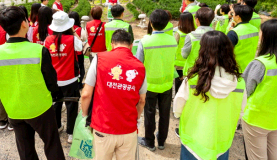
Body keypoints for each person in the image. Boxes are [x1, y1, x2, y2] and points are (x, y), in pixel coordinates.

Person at [0, 6, 65, 160]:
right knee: (51, 144)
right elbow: (51, 82)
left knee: (25, 149)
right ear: (24, 23)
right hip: (40, 108)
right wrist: (56, 94)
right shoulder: (38, 50)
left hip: (14, 109)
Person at [174, 31, 245, 160]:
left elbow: (178, 108)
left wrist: (178, 115)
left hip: (193, 140)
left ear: (203, 51)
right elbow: (241, 110)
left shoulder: (193, 80)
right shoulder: (239, 83)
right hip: (221, 141)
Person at [81, 29, 147, 160]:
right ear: (131, 45)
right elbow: (142, 101)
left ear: (112, 44)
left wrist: (84, 116)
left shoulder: (99, 59)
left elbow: (86, 94)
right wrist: (137, 118)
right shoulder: (140, 67)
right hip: (128, 129)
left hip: (103, 127)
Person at [242, 19, 277, 160]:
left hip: (256, 117)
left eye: (261, 31)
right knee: (274, 153)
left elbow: (247, 90)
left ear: (268, 36)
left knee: (257, 156)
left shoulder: (260, 63)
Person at [136, 9, 177, 151]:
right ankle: (161, 142)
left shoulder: (145, 41)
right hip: (166, 84)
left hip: (149, 85)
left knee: (149, 114)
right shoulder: (172, 40)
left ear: (151, 23)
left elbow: (139, 64)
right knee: (165, 114)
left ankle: (149, 141)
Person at [44, 11, 82, 144]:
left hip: (54, 80)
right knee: (71, 106)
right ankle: (71, 133)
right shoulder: (73, 40)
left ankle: (58, 126)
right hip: (70, 79)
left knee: (56, 104)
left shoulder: (47, 40)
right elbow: (81, 48)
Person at [181, 7, 214, 76]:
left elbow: (184, 55)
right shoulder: (217, 35)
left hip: (192, 72)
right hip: (210, 72)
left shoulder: (191, 36)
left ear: (197, 20)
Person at [227, 5, 259, 73]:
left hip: (236, 68)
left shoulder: (233, 33)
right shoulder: (255, 29)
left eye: (233, 14)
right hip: (249, 66)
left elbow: (226, 52)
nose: (232, 15)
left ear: (238, 17)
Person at [174, 12, 196, 95]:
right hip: (190, 63)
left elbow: (174, 46)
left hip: (179, 64)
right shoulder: (194, 34)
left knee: (179, 86)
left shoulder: (178, 33)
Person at [68, 11, 85, 88]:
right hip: (79, 53)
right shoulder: (80, 29)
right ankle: (80, 83)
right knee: (81, 68)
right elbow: (84, 39)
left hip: (71, 52)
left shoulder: (67, 29)